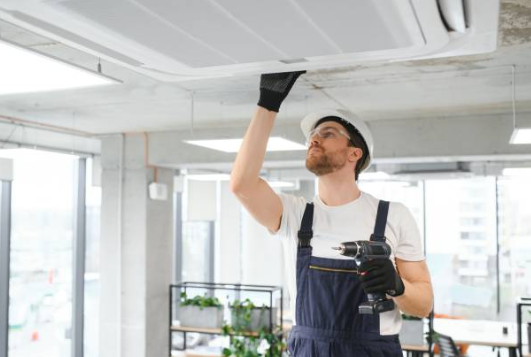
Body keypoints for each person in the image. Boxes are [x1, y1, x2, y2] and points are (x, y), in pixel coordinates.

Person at [230, 71, 433, 356]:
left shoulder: (393, 216)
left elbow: (423, 305)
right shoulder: (295, 214)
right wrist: (268, 102)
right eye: (312, 136)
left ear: (354, 153)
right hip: (309, 349)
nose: (314, 140)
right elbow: (242, 185)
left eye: (327, 133)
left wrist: (397, 286)